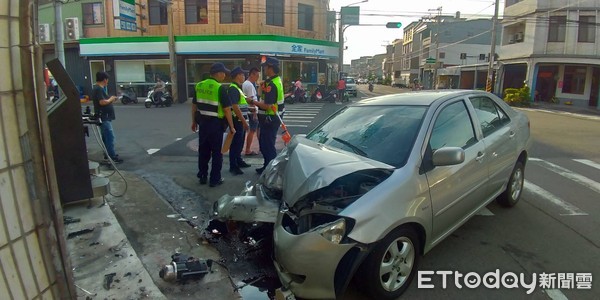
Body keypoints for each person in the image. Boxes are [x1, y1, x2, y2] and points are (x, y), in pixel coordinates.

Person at [191, 63, 235, 187]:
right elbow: (227, 110)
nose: (225, 75)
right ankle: (215, 179)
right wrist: (231, 126)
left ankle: (203, 176)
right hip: (216, 125)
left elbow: (194, 105)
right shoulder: (219, 88)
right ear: (218, 73)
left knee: (203, 151)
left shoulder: (199, 86)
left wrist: (193, 121)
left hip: (203, 124)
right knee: (217, 152)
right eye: (223, 73)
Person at [250, 57, 284, 174]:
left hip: (269, 119)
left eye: (265, 67)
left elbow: (267, 106)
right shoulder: (274, 81)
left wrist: (253, 102)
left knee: (267, 145)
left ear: (271, 68)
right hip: (270, 118)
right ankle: (267, 167)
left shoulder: (272, 85)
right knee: (265, 144)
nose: (264, 69)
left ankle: (271, 171)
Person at [91, 71, 123, 163]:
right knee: (109, 137)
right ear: (104, 80)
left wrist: (111, 99)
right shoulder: (99, 89)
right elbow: (102, 102)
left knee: (106, 137)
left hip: (104, 116)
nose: (107, 82)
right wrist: (111, 99)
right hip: (104, 117)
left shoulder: (98, 89)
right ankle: (112, 156)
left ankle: (108, 154)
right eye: (107, 80)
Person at [227, 67, 251, 175]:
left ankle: (239, 160)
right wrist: (244, 121)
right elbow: (235, 106)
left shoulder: (237, 88)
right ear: (237, 75)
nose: (244, 77)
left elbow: (241, 105)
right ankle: (233, 166)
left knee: (240, 142)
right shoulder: (233, 88)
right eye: (243, 75)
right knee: (236, 144)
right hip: (237, 120)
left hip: (240, 119)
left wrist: (250, 109)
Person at [242, 67, 260, 156]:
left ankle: (261, 146)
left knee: (256, 129)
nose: (257, 77)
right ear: (251, 74)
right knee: (252, 130)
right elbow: (251, 100)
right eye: (257, 75)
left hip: (249, 110)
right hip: (252, 111)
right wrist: (255, 114)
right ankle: (248, 150)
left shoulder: (245, 83)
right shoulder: (249, 85)